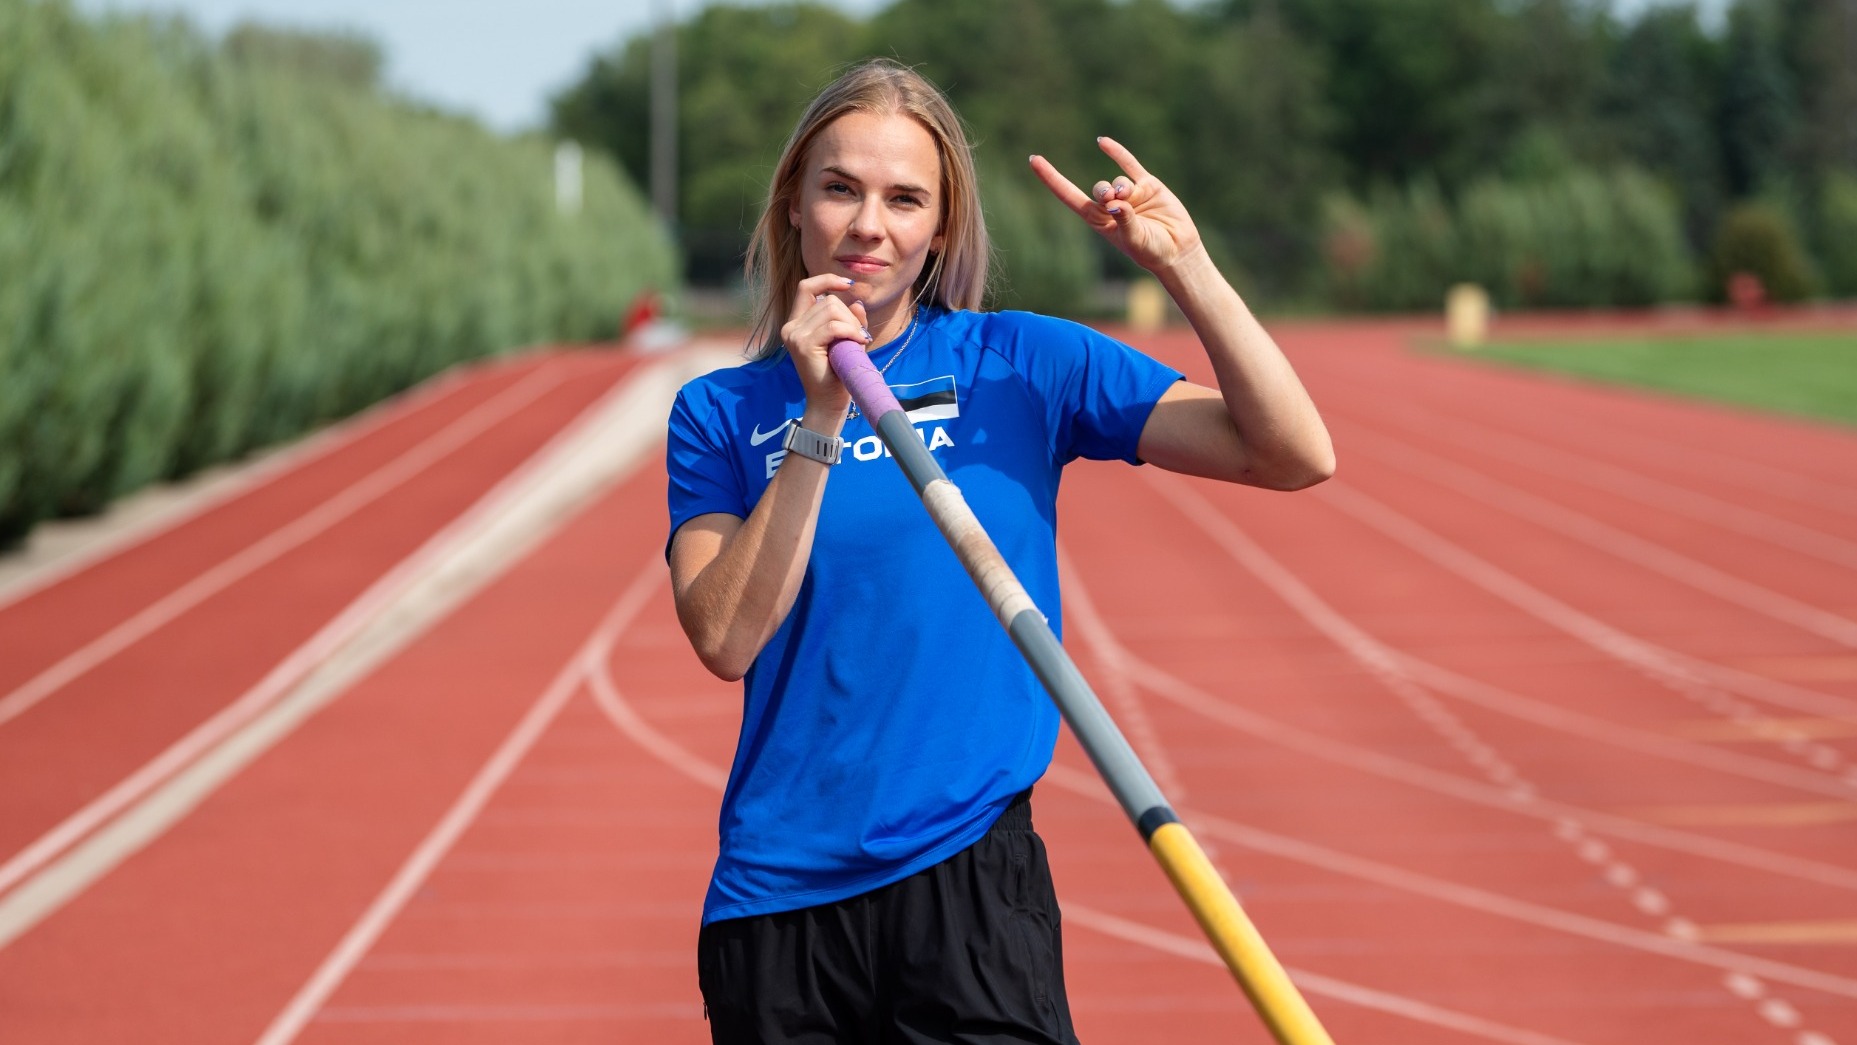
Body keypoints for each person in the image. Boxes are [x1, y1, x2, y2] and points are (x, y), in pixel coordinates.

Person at [664, 58, 1332, 1044]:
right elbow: (724, 635)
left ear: (939, 229)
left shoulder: (1021, 364)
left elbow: (1292, 452)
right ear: (793, 205)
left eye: (904, 199)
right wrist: (819, 414)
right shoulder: (719, 413)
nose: (868, 226)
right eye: (841, 188)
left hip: (969, 883)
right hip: (778, 906)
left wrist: (1185, 263)